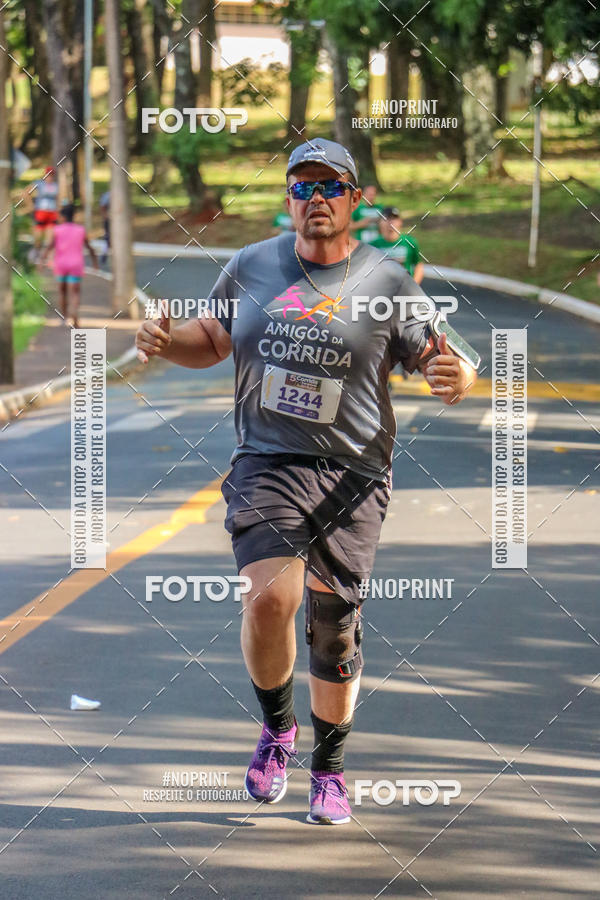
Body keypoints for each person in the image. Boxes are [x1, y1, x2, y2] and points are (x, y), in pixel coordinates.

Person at [135, 137, 478, 826]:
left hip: (354, 474)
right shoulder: (252, 265)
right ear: (287, 199)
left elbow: (446, 357)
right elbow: (214, 336)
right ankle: (277, 730)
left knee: (333, 627)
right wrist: (170, 345)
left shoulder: (386, 281)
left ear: (354, 199)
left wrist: (458, 378)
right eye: (301, 187)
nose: (314, 199)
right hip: (267, 460)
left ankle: (329, 767)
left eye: (330, 187)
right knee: (270, 598)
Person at [43, 203, 98, 328]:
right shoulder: (80, 230)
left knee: (62, 292)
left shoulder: (57, 230)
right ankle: (75, 314)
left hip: (61, 265)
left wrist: (42, 260)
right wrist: (95, 262)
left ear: (62, 217)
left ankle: (64, 318)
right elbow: (90, 248)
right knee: (75, 293)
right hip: (75, 265)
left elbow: (49, 247)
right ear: (74, 216)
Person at [370, 206, 425, 284]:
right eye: (387, 218)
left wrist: (413, 286)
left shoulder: (409, 242)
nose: (391, 222)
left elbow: (418, 265)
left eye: (394, 218)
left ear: (400, 221)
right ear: (380, 222)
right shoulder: (372, 245)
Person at [30, 166, 59, 262]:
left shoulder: (55, 186)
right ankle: (36, 250)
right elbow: (26, 192)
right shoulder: (39, 184)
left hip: (52, 212)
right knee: (38, 235)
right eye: (48, 175)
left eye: (51, 175)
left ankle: (47, 256)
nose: (50, 177)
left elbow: (59, 198)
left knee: (50, 237)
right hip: (41, 212)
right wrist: (30, 205)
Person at [99, 189, 111, 265]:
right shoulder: (108, 195)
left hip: (117, 220)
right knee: (107, 237)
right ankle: (104, 253)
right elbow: (102, 207)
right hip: (109, 219)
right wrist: (105, 216)